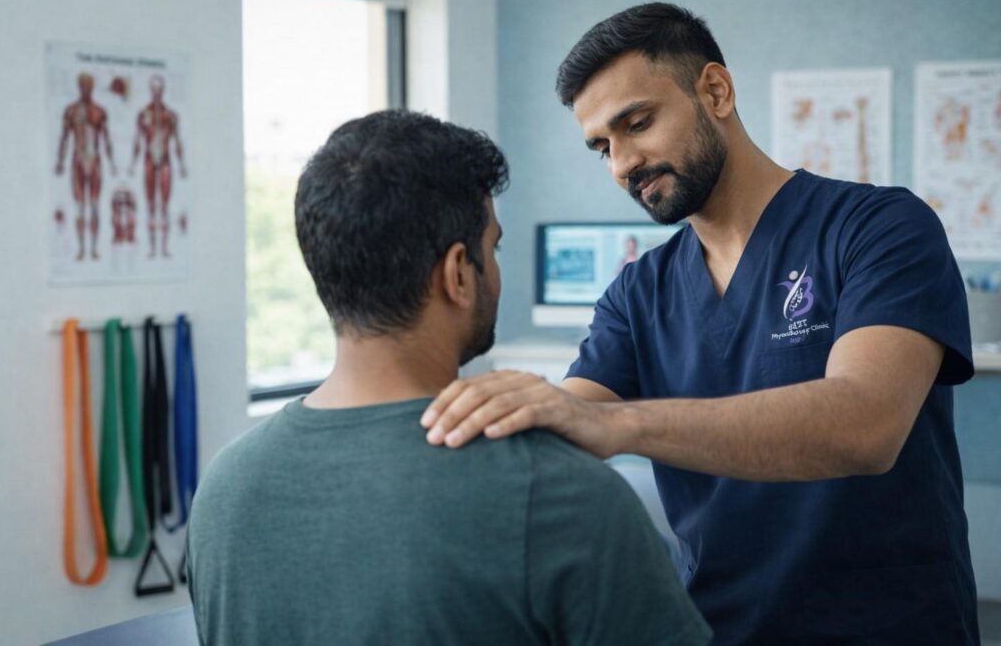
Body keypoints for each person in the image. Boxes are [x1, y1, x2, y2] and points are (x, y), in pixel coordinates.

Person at [421, 3, 979, 644]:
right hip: (716, 631)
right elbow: (564, 427)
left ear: (715, 90)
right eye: (603, 146)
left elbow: (867, 424)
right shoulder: (637, 292)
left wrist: (617, 424)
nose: (622, 164)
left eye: (638, 123)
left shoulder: (878, 227)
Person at [186, 110, 711, 646]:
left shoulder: (224, 492)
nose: (497, 267)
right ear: (458, 274)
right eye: (493, 248)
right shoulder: (561, 497)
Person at [54, 72, 117, 261]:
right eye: (83, 85)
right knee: (80, 206)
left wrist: (112, 162)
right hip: (78, 160)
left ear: (93, 87)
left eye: (89, 85)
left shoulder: (100, 111)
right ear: (78, 86)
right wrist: (60, 161)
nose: (86, 88)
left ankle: (94, 249)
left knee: (96, 206)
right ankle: (82, 249)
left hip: (96, 161)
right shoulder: (70, 111)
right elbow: (64, 137)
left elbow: (106, 138)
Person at [129, 74, 186, 258]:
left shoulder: (171, 116)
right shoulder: (143, 114)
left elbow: (177, 141)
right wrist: (132, 164)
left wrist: (182, 165)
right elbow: (137, 141)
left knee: (165, 206)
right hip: (149, 162)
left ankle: (165, 248)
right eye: (153, 89)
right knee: (151, 205)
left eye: (159, 88)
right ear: (150, 90)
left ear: (163, 90)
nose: (156, 92)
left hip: (166, 162)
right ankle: (152, 248)